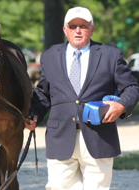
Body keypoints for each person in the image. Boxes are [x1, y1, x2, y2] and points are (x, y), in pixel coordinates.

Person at [25, 6, 139, 190]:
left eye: (83, 26)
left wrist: (121, 106)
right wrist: (33, 114)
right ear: (65, 29)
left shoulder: (111, 55)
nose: (78, 30)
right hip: (60, 136)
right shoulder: (49, 56)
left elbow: (132, 88)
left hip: (99, 136)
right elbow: (44, 93)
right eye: (73, 26)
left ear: (92, 29)